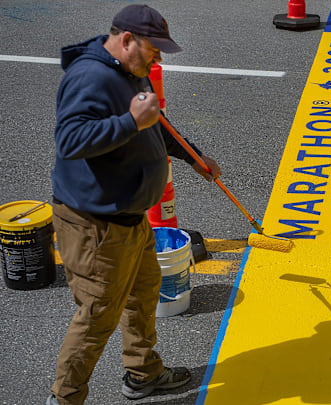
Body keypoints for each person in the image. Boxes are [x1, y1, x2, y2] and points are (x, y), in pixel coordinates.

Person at [47, 4, 221, 404]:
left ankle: (143, 373)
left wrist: (192, 156)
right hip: (96, 227)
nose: (158, 58)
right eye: (153, 50)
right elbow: (70, 142)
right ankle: (64, 398)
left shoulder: (127, 71)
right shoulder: (90, 77)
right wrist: (130, 123)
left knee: (144, 292)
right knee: (96, 318)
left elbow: (155, 126)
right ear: (126, 40)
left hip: (129, 218)